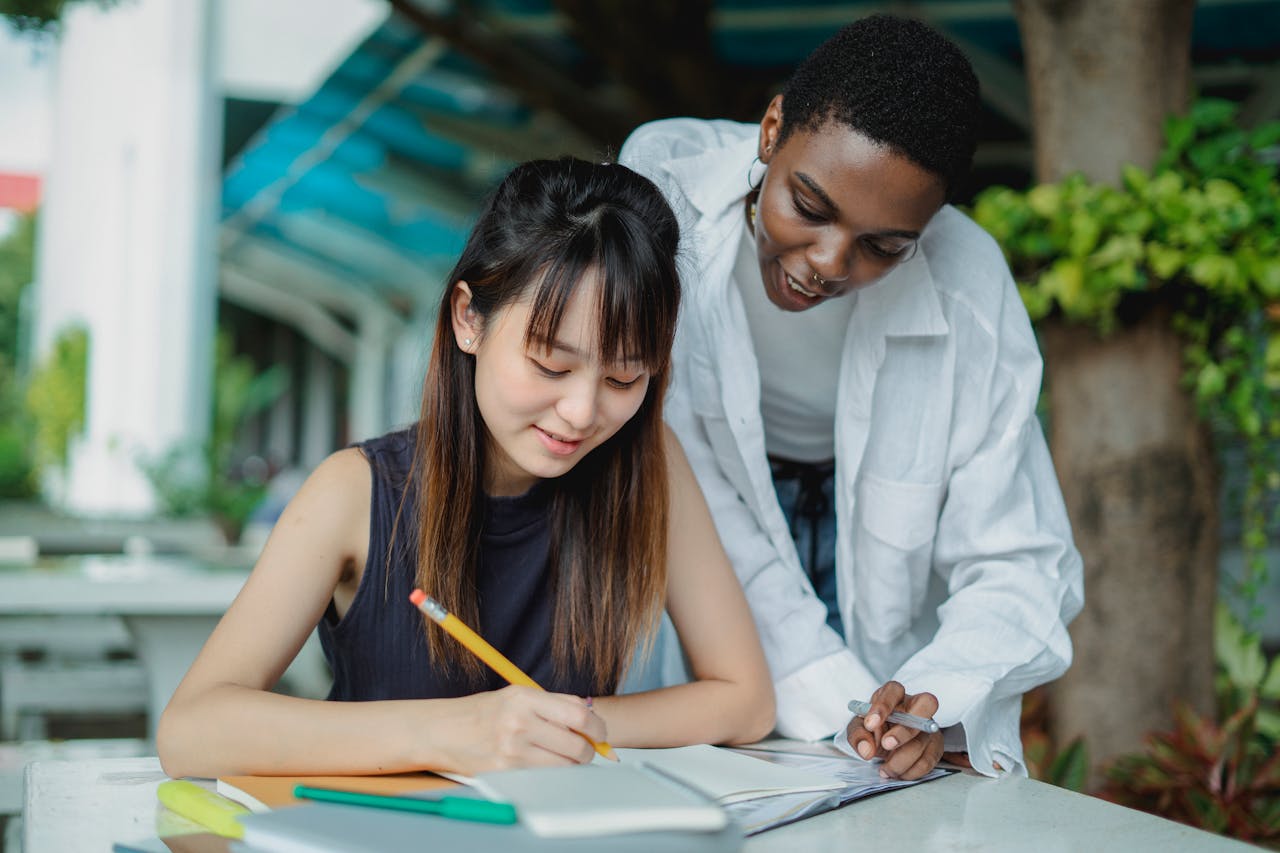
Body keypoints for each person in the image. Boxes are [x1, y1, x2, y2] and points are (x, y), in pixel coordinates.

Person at [157, 158, 775, 779]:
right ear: (468, 319)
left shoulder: (649, 463)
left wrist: (563, 727)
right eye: (551, 366)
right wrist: (454, 732)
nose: (582, 411)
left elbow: (746, 700)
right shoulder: (354, 491)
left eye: (623, 377)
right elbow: (192, 730)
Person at [619, 15, 1084, 780]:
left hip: (878, 575)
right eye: (809, 205)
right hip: (708, 521)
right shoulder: (663, 195)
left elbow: (1020, 557)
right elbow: (683, 465)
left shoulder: (968, 284)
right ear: (771, 130)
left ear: (928, 230)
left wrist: (924, 703)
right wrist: (846, 704)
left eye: (884, 246)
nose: (829, 262)